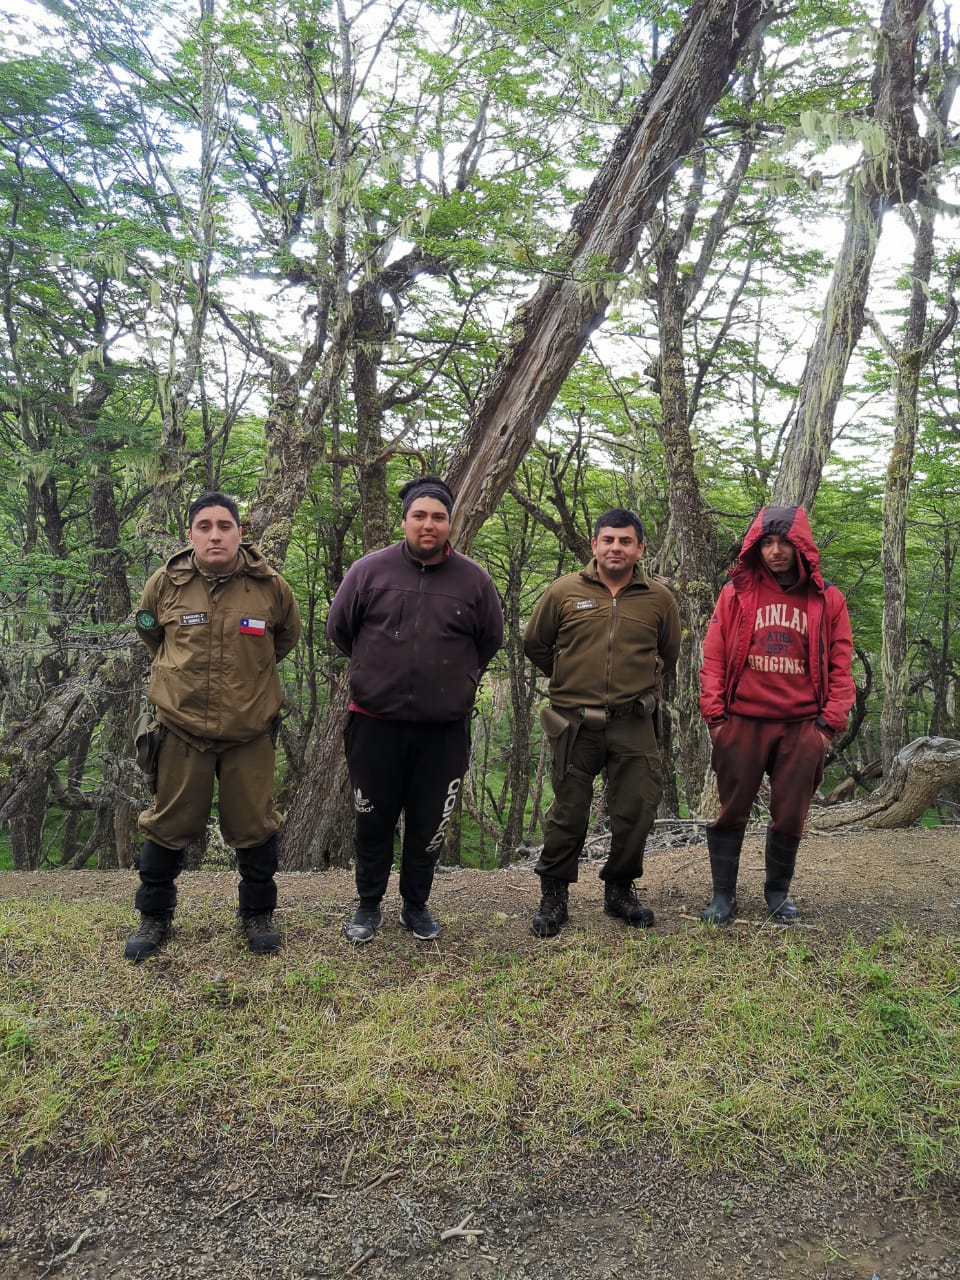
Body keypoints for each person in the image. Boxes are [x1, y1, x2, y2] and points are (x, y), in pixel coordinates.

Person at [326, 476, 504, 944]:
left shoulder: (474, 580)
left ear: (450, 522)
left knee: (429, 824)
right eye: (420, 516)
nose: (429, 525)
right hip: (374, 723)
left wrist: (455, 682)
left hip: (443, 730)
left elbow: (490, 642)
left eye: (439, 517)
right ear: (404, 520)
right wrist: (376, 673)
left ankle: (416, 905)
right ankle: (368, 905)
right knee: (372, 820)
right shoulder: (369, 571)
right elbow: (340, 630)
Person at [125, 492, 301, 961]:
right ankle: (154, 916)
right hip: (181, 732)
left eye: (225, 525)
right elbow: (153, 637)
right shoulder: (165, 584)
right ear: (191, 533)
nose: (215, 534)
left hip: (249, 734)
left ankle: (257, 915)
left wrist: (246, 684)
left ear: (240, 533)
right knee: (166, 826)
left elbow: (283, 638)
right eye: (204, 525)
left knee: (255, 828)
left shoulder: (270, 587)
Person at [523, 509, 681, 938]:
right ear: (594, 545)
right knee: (567, 813)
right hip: (573, 724)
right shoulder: (564, 592)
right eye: (608, 540)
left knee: (635, 810)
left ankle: (620, 890)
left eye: (625, 541)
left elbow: (669, 654)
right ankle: (554, 895)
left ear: (639, 548)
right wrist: (570, 680)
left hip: (633, 722)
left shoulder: (658, 599)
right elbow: (535, 645)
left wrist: (637, 687)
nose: (616, 548)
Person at [698, 504, 855, 926]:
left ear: (801, 545)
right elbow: (712, 656)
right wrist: (716, 719)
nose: (776, 551)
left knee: (790, 813)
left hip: (802, 726)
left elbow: (842, 666)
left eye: (785, 542)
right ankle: (722, 897)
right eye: (767, 542)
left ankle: (777, 894)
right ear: (757, 547)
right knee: (731, 809)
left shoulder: (827, 599)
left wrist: (826, 728)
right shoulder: (737, 593)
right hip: (742, 722)